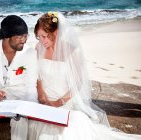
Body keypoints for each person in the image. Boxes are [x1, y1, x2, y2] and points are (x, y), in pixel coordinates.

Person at [28, 12, 141, 140]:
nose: (42, 41)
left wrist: (58, 103)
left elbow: (78, 82)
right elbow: (36, 74)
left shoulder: (72, 51)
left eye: (45, 36)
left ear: (56, 32)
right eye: (39, 37)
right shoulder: (39, 48)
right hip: (43, 100)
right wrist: (41, 93)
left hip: (63, 101)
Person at [0, 15, 38, 140]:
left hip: (20, 98)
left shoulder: (30, 53)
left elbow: (31, 84)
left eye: (26, 36)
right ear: (7, 36)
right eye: (20, 36)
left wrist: (30, 106)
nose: (24, 40)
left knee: (21, 121)